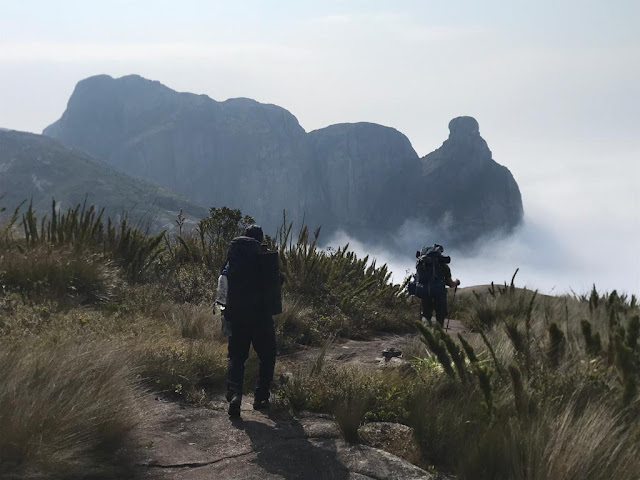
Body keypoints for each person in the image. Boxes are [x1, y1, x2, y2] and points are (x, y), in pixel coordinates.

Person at [222, 224, 277, 419]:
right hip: (261, 318)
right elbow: (276, 281)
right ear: (259, 239)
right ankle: (260, 397)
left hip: (237, 316)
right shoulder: (264, 257)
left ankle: (235, 394)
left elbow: (223, 281)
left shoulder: (233, 255)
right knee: (267, 356)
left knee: (236, 357)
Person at [416, 244, 461, 327]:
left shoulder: (421, 264)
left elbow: (418, 279)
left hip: (425, 292)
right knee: (440, 316)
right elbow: (450, 283)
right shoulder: (443, 266)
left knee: (426, 314)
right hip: (439, 294)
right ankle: (438, 335)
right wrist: (456, 282)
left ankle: (425, 332)